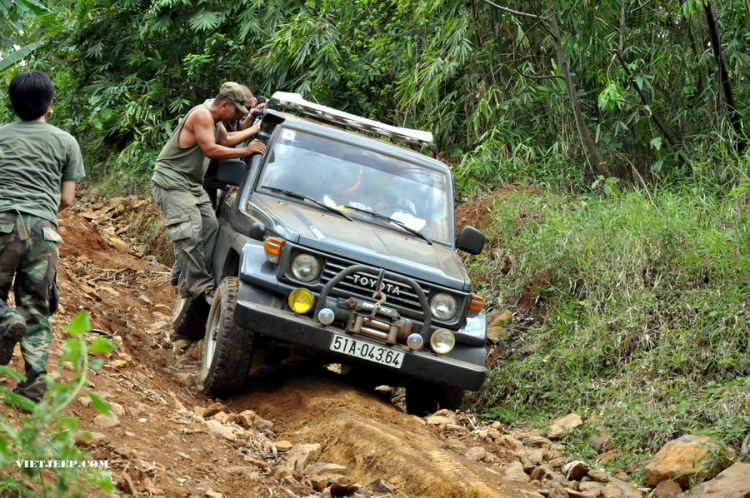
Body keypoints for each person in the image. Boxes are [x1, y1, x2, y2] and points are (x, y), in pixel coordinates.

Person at [0, 70, 85, 403]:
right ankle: (35, 384)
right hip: (44, 232)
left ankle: (6, 317)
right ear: (49, 104)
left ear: (11, 103)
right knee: (36, 308)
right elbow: (66, 199)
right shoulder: (65, 142)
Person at [152, 82, 266, 302]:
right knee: (190, 232)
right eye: (235, 111)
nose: (236, 117)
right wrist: (247, 150)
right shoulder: (202, 115)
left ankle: (185, 283)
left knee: (210, 227)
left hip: (192, 184)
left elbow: (225, 141)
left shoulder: (215, 121)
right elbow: (211, 150)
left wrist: (254, 130)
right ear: (225, 105)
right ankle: (200, 285)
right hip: (172, 181)